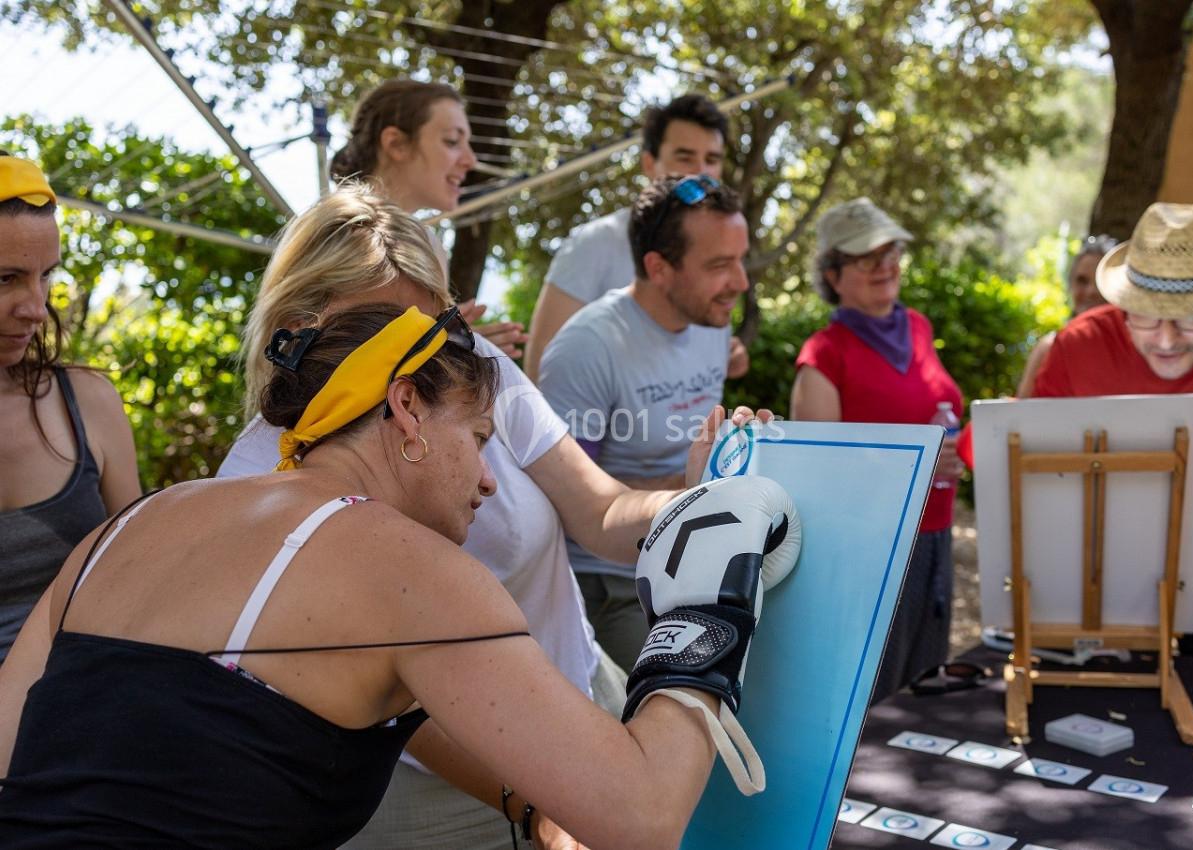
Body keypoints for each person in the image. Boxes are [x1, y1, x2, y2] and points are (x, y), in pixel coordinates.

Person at [0, 302, 801, 848]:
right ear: (407, 408)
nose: (490, 479)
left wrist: (527, 804)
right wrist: (705, 602)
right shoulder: (405, 566)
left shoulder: (131, 525)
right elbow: (644, 817)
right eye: (480, 436)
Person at [219, 186, 767, 849]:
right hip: (428, 789)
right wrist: (535, 805)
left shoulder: (479, 371)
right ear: (302, 328)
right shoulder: (258, 480)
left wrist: (697, 496)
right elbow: (390, 694)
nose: (421, 365)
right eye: (375, 334)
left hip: (579, 700)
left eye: (430, 329)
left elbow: (600, 511)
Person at [1033, 202, 1193, 662]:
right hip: (1106, 603)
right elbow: (1029, 471)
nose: (1166, 340)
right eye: (1144, 317)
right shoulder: (1080, 346)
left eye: (1192, 319)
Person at [537, 174, 750, 669]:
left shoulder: (709, 320)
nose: (739, 283)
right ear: (658, 267)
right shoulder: (588, 348)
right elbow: (566, 502)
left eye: (740, 259)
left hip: (697, 550)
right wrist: (695, 486)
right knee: (683, 698)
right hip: (610, 581)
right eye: (720, 265)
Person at [790, 197, 964, 702]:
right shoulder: (822, 356)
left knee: (924, 692)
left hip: (935, 536)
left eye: (891, 252)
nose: (885, 266)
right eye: (868, 257)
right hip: (872, 552)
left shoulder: (918, 327)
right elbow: (820, 481)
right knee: (870, 702)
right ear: (833, 273)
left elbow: (935, 417)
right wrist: (912, 466)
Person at [0, 154, 140, 663]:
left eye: (45, 277)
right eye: (5, 279)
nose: (36, 307)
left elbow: (139, 579)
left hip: (84, 710)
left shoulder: (88, 402)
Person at [524, 93, 749, 383]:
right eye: (685, 156)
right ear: (649, 163)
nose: (701, 171)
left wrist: (725, 356)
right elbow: (545, 355)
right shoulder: (595, 242)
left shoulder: (723, 247)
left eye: (712, 159)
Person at [329, 78, 527, 361]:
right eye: (452, 141)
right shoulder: (346, 231)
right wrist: (445, 347)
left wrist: (449, 346)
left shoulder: (425, 244)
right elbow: (340, 362)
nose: (470, 160)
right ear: (396, 144)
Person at [1014, 234, 1118, 397]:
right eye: (1082, 281)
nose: (1091, 291)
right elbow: (1023, 411)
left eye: (1100, 281)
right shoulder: (1049, 347)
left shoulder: (1143, 348)